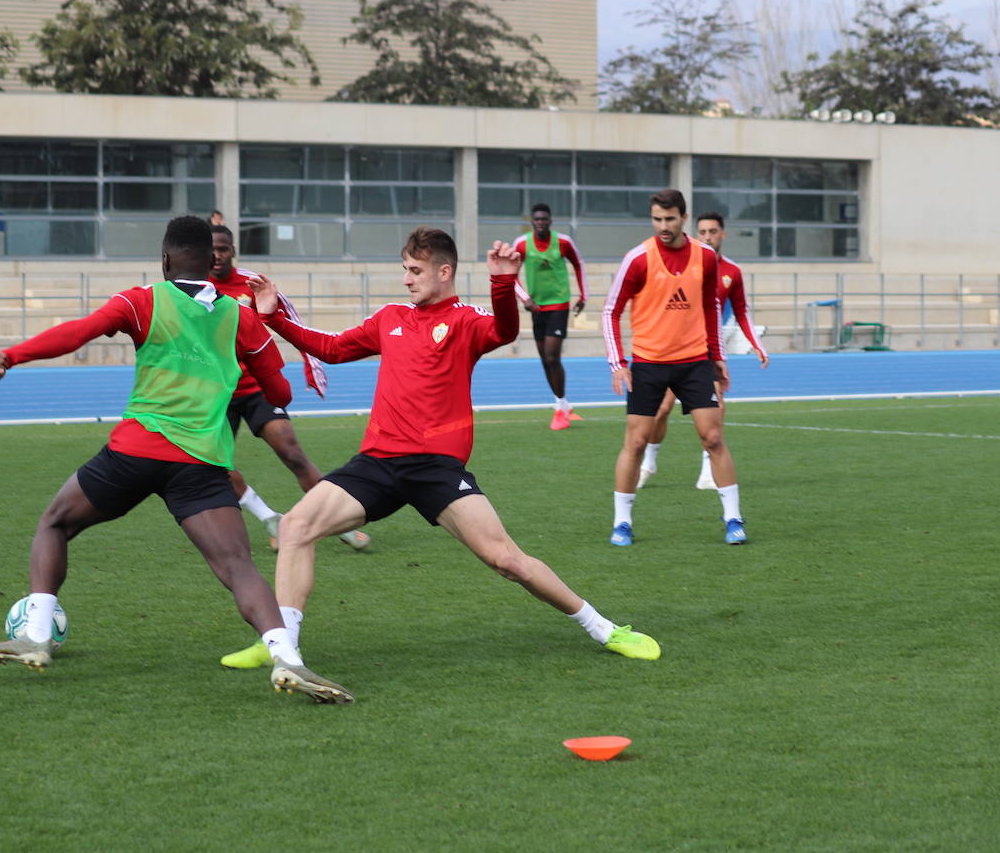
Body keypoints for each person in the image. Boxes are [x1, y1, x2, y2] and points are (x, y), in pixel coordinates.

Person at [221, 227, 661, 703]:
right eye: (405, 270)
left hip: (435, 468)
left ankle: (604, 629)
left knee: (507, 560)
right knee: (295, 527)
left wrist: (502, 282)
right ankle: (283, 647)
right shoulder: (390, 318)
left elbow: (504, 330)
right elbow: (329, 348)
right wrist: (274, 317)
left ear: (444, 271)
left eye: (415, 271)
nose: (406, 279)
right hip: (378, 462)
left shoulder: (466, 320)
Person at [0, 216, 330, 699]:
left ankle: (36, 636)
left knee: (55, 523)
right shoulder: (241, 318)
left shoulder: (141, 301)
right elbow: (281, 392)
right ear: (212, 260)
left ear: (164, 259)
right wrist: (256, 336)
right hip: (202, 463)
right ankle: (288, 658)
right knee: (237, 566)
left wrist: (13, 355)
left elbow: (79, 332)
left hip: (135, 453)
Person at [208, 225, 370, 561]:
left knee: (293, 453)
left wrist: (312, 364)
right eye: (211, 249)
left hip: (256, 386)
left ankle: (334, 521)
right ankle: (270, 520)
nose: (217, 255)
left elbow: (288, 318)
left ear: (233, 250)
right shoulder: (193, 287)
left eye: (223, 248)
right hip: (214, 394)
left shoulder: (251, 283)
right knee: (214, 464)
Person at [602, 189, 747, 547]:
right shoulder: (637, 259)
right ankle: (622, 522)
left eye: (670, 219)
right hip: (648, 364)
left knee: (713, 438)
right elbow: (610, 311)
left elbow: (711, 307)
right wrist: (618, 364)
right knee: (636, 441)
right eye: (657, 219)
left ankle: (733, 518)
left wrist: (717, 356)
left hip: (694, 362)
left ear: (683, 218)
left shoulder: (705, 256)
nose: (663, 226)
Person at [638, 211, 769, 494]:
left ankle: (708, 471)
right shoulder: (688, 263)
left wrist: (757, 344)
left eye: (713, 232)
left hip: (707, 350)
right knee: (660, 410)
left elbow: (742, 311)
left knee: (716, 411)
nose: (708, 237)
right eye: (703, 232)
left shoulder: (732, 272)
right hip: (675, 349)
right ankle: (648, 463)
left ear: (723, 234)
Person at [513, 204, 586, 430]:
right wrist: (525, 298)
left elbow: (579, 264)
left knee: (553, 356)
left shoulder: (563, 242)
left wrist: (583, 296)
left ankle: (559, 409)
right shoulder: (522, 244)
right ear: (532, 222)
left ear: (550, 221)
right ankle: (564, 405)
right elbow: (510, 274)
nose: (541, 222)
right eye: (537, 219)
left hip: (559, 304)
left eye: (544, 219)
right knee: (545, 359)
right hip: (536, 308)